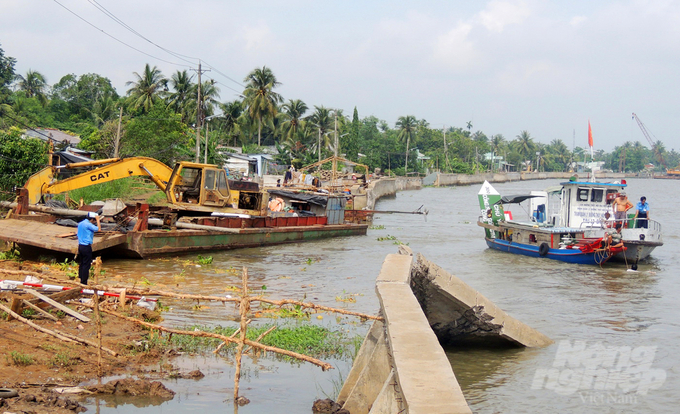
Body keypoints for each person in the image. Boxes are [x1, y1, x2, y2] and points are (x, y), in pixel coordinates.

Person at [77, 212, 100, 285]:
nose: (94, 222)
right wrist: (98, 220)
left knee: (82, 263)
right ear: (92, 219)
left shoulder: (81, 223)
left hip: (80, 246)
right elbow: (99, 229)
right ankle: (84, 282)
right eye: (94, 220)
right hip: (86, 246)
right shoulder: (88, 225)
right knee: (86, 265)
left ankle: (80, 278)